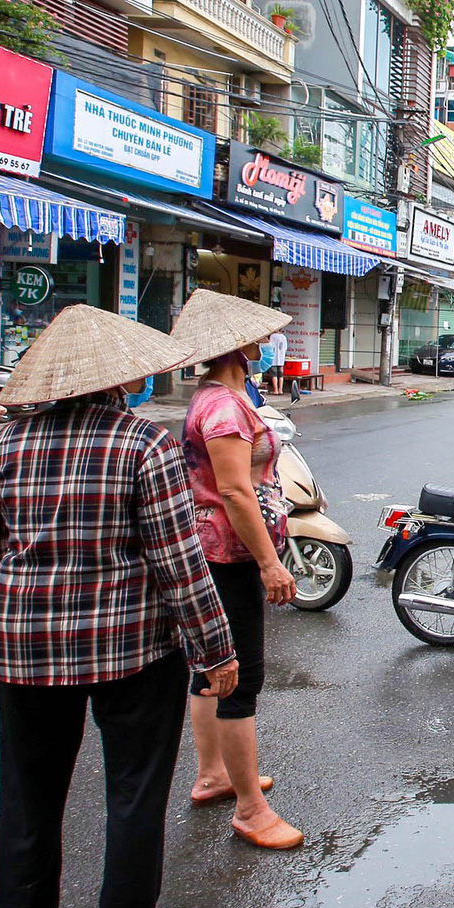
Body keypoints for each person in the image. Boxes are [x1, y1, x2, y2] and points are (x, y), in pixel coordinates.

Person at [0, 304, 238, 908]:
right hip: (133, 652)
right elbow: (179, 563)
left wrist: (21, 611)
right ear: (122, 379)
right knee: (134, 787)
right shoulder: (143, 443)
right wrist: (217, 650)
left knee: (26, 791)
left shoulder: (1, 446)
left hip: (23, 651)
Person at [169, 289, 303, 851]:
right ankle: (251, 810)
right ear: (235, 344)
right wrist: (271, 565)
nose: (265, 341)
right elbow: (234, 492)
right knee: (239, 677)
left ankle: (214, 774)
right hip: (229, 553)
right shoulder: (223, 407)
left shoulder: (220, 395)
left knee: (211, 669)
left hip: (216, 549)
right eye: (255, 334)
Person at [262, 331, 288, 397]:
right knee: (281, 375)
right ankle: (280, 390)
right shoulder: (283, 337)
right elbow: (285, 348)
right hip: (281, 358)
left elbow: (270, 346)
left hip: (274, 358)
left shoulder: (272, 336)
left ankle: (275, 390)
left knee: (274, 374)